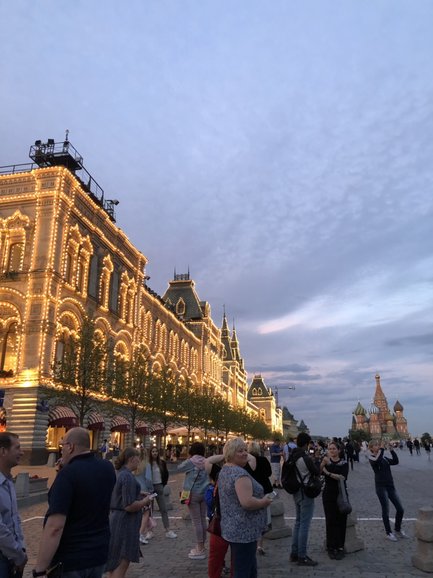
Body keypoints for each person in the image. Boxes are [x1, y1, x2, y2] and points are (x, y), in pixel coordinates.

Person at [34, 427, 116, 578]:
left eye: (63, 445)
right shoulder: (108, 468)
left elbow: (55, 527)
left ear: (70, 446)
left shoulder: (68, 475)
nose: (61, 450)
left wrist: (40, 569)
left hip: (71, 559)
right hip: (99, 553)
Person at [218, 437, 272, 578]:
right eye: (239, 451)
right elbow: (247, 502)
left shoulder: (225, 469)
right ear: (230, 453)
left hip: (232, 527)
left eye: (245, 450)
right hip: (244, 530)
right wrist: (263, 502)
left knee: (248, 567)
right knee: (243, 570)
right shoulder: (240, 474)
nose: (244, 454)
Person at [106, 447, 153, 578]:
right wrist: (145, 501)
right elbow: (128, 505)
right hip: (124, 523)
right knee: (122, 560)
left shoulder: (121, 473)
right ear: (132, 459)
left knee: (114, 562)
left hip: (117, 520)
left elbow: (121, 495)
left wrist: (138, 493)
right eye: (138, 458)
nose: (139, 461)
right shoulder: (127, 476)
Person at [289, 432, 320, 567]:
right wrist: (317, 459)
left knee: (298, 522)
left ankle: (294, 553)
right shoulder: (304, 457)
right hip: (305, 492)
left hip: (296, 491)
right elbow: (316, 471)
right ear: (307, 444)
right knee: (304, 525)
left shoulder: (292, 455)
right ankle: (302, 556)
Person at [0, 432, 27, 578]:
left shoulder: (8, 481)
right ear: (3, 451)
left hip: (13, 557)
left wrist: (21, 548)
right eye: (17, 448)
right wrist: (18, 554)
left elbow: (14, 518)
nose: (21, 452)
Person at [368, 440, 406, 541]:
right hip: (381, 487)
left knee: (400, 509)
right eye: (375, 445)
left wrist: (392, 450)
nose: (377, 446)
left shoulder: (384, 457)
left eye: (377, 445)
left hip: (390, 486)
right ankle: (388, 532)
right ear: (371, 448)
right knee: (386, 510)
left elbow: (395, 461)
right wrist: (381, 448)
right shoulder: (372, 458)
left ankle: (397, 529)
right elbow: (377, 460)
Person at [178, 442, 211, 560]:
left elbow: (178, 468)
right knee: (202, 519)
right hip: (205, 493)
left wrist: (188, 459)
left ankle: (200, 547)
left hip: (192, 494)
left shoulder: (191, 462)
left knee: (196, 521)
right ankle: (203, 545)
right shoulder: (207, 461)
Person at [138, 446, 177, 540]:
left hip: (159, 486)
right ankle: (150, 531)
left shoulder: (162, 463)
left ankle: (168, 530)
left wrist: (163, 484)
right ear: (150, 453)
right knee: (149, 512)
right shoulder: (148, 464)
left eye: (156, 451)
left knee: (163, 509)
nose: (154, 453)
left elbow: (166, 474)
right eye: (153, 451)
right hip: (149, 489)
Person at [320, 441, 349, 559]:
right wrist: (322, 464)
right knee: (330, 520)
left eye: (334, 448)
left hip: (341, 494)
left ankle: (340, 546)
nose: (331, 450)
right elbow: (318, 471)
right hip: (328, 494)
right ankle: (331, 546)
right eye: (329, 448)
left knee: (341, 520)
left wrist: (328, 472)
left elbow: (342, 477)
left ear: (339, 450)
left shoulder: (344, 463)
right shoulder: (326, 461)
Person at [245, 441, 273, 556]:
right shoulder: (263, 460)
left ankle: (250, 541)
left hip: (250, 491)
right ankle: (260, 545)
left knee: (250, 517)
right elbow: (269, 473)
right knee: (263, 518)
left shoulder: (245, 462)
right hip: (264, 490)